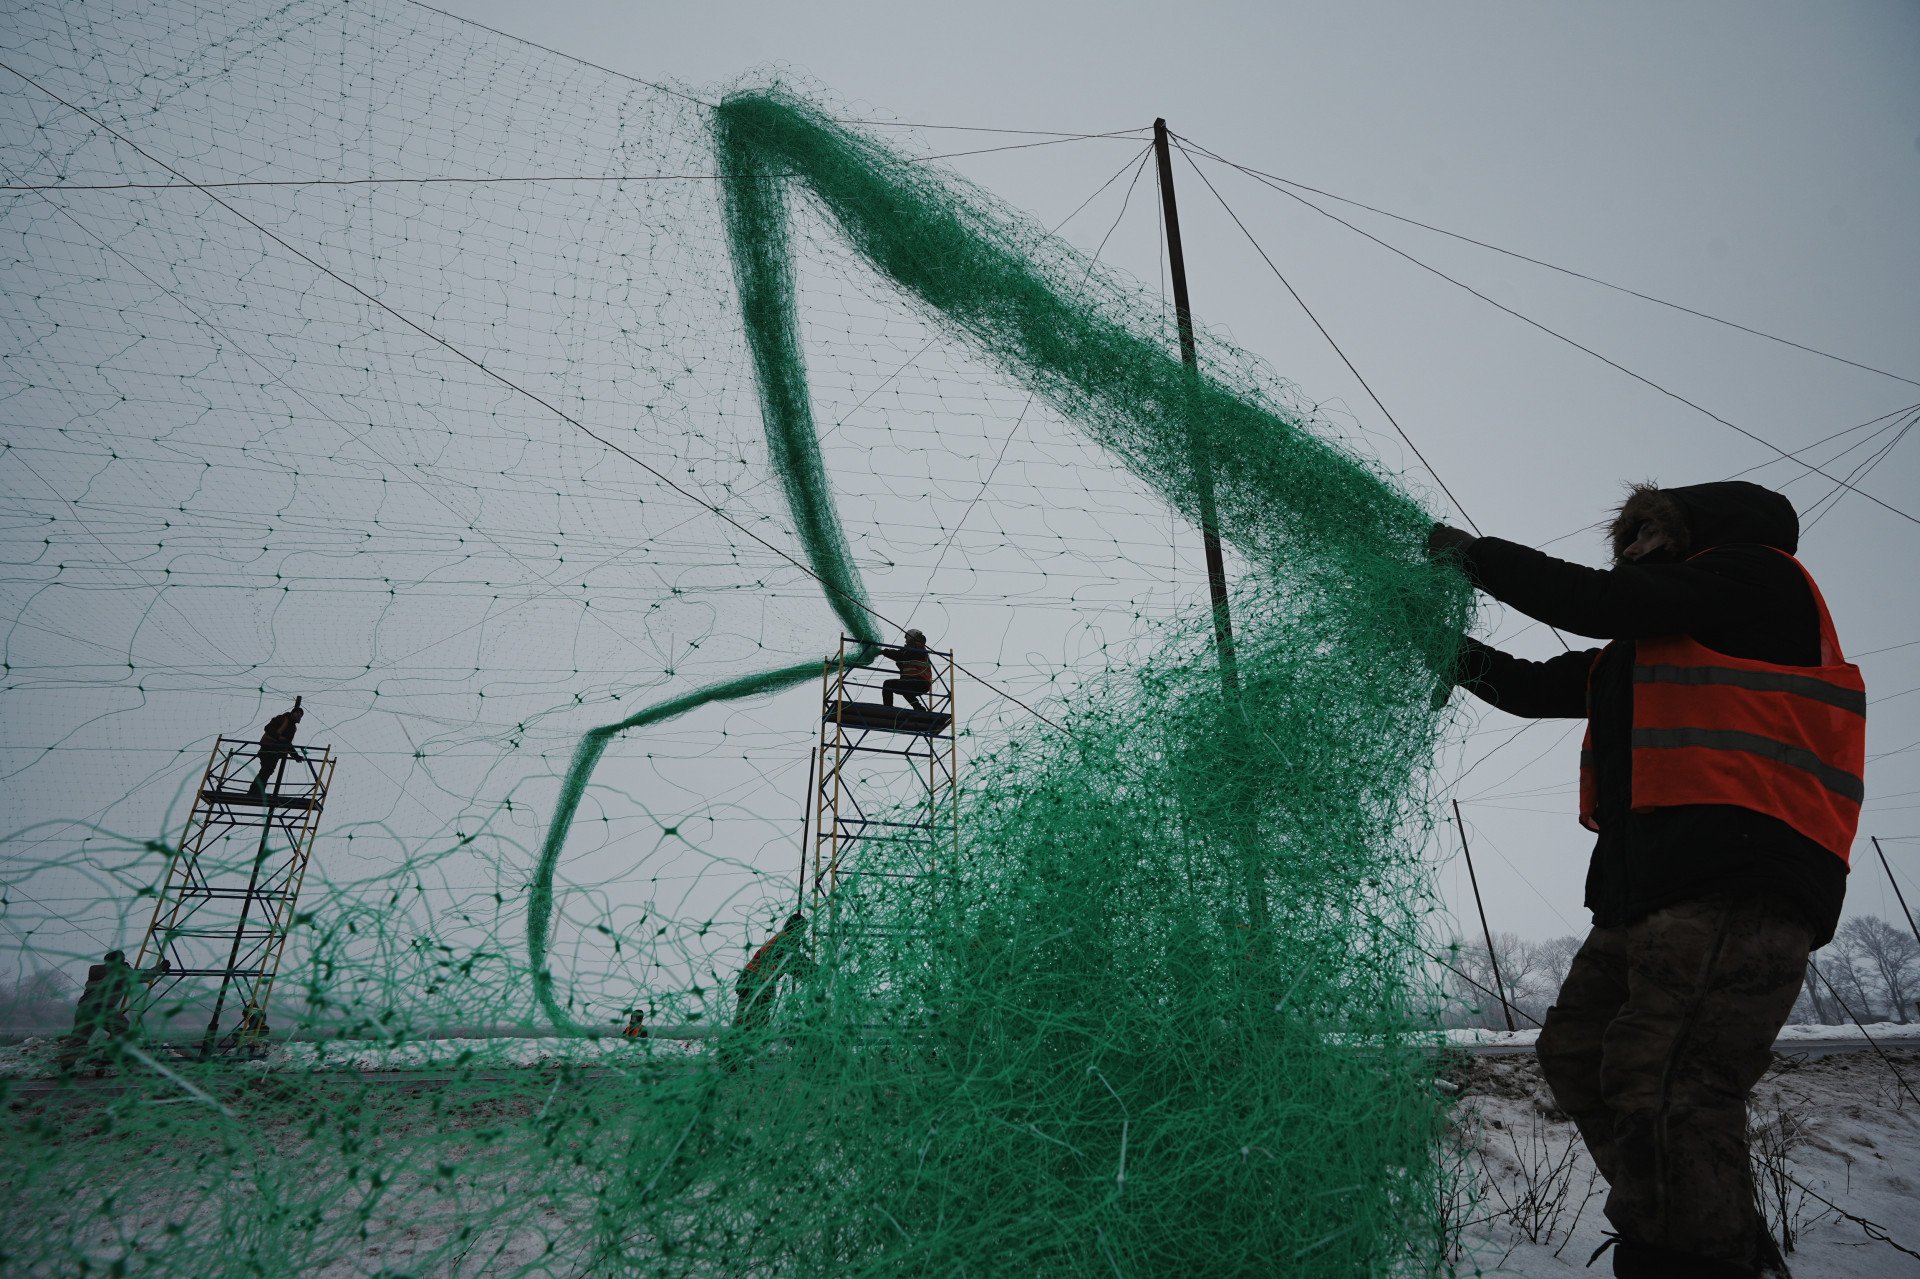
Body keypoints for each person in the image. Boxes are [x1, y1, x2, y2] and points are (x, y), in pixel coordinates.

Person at [1430, 480, 1862, 1279]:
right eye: (1623, 540)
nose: (1629, 552)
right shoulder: (1641, 655)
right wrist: (1442, 649)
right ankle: (1694, 1230)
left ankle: (1694, 1260)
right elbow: (1531, 686)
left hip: (1740, 880)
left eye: (1647, 536)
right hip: (1646, 895)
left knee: (1667, 1078)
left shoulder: (1755, 578)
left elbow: (1598, 599)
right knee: (1580, 1054)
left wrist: (1470, 555)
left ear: (1695, 532)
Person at [54, 950, 171, 1073]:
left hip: (84, 1009)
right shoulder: (120, 971)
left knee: (78, 1038)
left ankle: (67, 1065)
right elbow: (143, 976)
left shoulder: (98, 971)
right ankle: (107, 1057)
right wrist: (160, 968)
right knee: (121, 1028)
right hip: (102, 1008)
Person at [730, 912, 815, 1046]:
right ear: (796, 928)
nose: (803, 934)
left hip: (754, 981)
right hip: (756, 982)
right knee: (750, 1023)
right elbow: (794, 962)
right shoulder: (786, 940)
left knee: (751, 1021)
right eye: (802, 930)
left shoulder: (781, 938)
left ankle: (739, 1054)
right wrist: (815, 972)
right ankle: (737, 1054)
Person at [247, 696, 304, 798]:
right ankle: (255, 792)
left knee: (267, 770)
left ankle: (257, 792)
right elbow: (267, 728)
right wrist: (279, 737)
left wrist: (296, 756)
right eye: (298, 714)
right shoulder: (282, 718)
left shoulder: (292, 727)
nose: (299, 717)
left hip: (276, 751)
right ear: (293, 713)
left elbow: (288, 744)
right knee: (266, 770)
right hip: (268, 747)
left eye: (301, 716)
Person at [880, 629, 934, 711]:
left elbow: (901, 655)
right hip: (919, 682)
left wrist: (884, 652)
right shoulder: (916, 649)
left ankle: (888, 709)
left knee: (888, 684)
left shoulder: (917, 647)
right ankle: (918, 708)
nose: (905, 641)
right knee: (905, 688)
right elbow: (903, 658)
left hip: (919, 681)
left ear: (911, 637)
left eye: (906, 638)